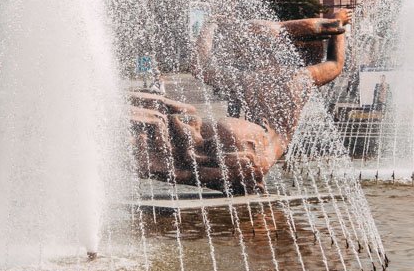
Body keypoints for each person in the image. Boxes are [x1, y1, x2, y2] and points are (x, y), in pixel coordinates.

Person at [130, 10, 351, 193]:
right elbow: (335, 63)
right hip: (256, 152)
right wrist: (337, 25)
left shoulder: (246, 78)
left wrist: (211, 24)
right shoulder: (298, 79)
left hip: (240, 141)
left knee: (167, 135)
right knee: (173, 156)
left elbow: (199, 66)